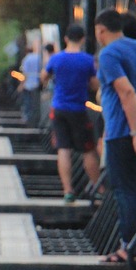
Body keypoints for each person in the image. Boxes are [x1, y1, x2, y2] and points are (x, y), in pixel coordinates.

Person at [94, 9, 136, 263]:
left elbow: (126, 93)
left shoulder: (109, 53)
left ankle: (128, 246)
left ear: (101, 30)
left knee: (125, 188)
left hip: (124, 130)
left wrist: (135, 131)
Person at [42, 24, 99, 203]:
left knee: (63, 149)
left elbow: (43, 77)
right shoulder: (88, 60)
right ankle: (98, 188)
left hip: (58, 108)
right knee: (88, 150)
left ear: (66, 39)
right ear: (83, 39)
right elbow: (95, 85)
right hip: (79, 110)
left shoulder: (56, 58)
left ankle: (68, 190)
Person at [18, 41, 42, 125]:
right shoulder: (38, 57)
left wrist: (21, 84)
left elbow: (25, 73)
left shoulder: (26, 59)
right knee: (35, 103)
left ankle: (27, 118)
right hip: (37, 84)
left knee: (27, 102)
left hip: (27, 84)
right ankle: (35, 118)